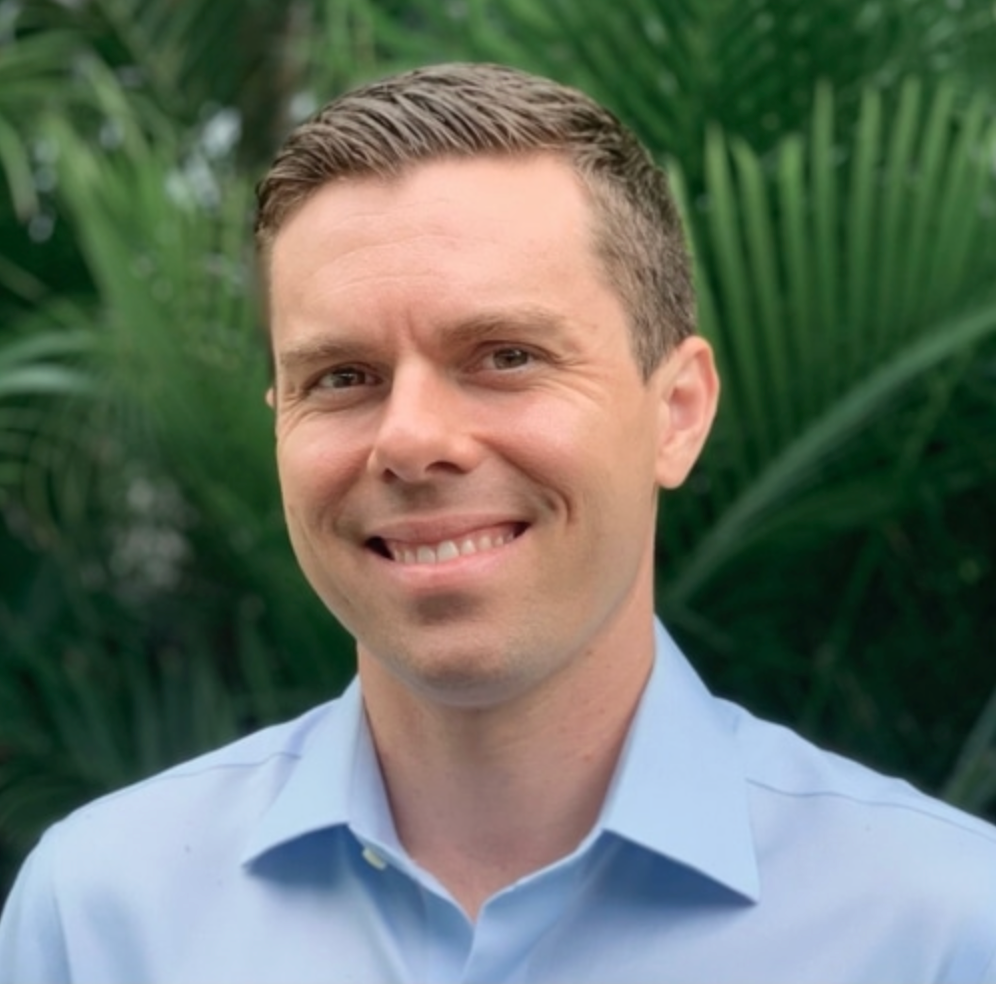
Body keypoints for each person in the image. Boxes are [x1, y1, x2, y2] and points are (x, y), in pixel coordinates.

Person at [1, 62, 994, 984]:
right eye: (342, 378)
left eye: (506, 356)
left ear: (678, 411)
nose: (413, 438)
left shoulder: (939, 931)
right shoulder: (100, 922)